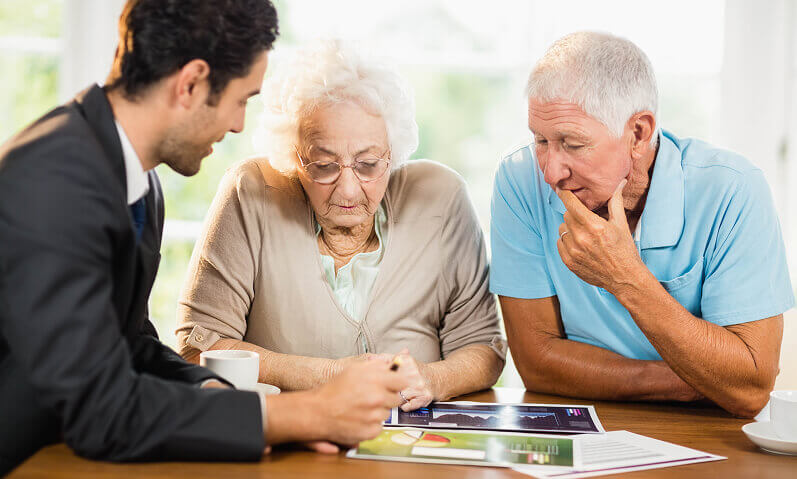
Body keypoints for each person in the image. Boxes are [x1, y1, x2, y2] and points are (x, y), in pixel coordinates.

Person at [0, 1, 409, 474]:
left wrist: (207, 389)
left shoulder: (136, 179)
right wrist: (301, 413)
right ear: (191, 83)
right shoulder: (54, 182)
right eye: (241, 100)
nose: (238, 123)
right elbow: (101, 409)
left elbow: (126, 345)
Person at [175, 40, 506, 411]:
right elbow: (199, 346)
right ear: (294, 157)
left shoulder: (441, 198)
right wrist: (328, 375)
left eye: (368, 165)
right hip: (289, 440)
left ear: (393, 152)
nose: (348, 190)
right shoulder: (251, 192)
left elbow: (485, 348)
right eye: (324, 165)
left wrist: (433, 379)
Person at [490, 31, 793, 418]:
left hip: (708, 435)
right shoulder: (519, 180)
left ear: (638, 133)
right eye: (540, 141)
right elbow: (536, 363)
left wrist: (625, 278)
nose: (550, 172)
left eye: (572, 144)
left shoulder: (733, 189)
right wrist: (698, 381)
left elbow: (750, 388)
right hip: (579, 424)